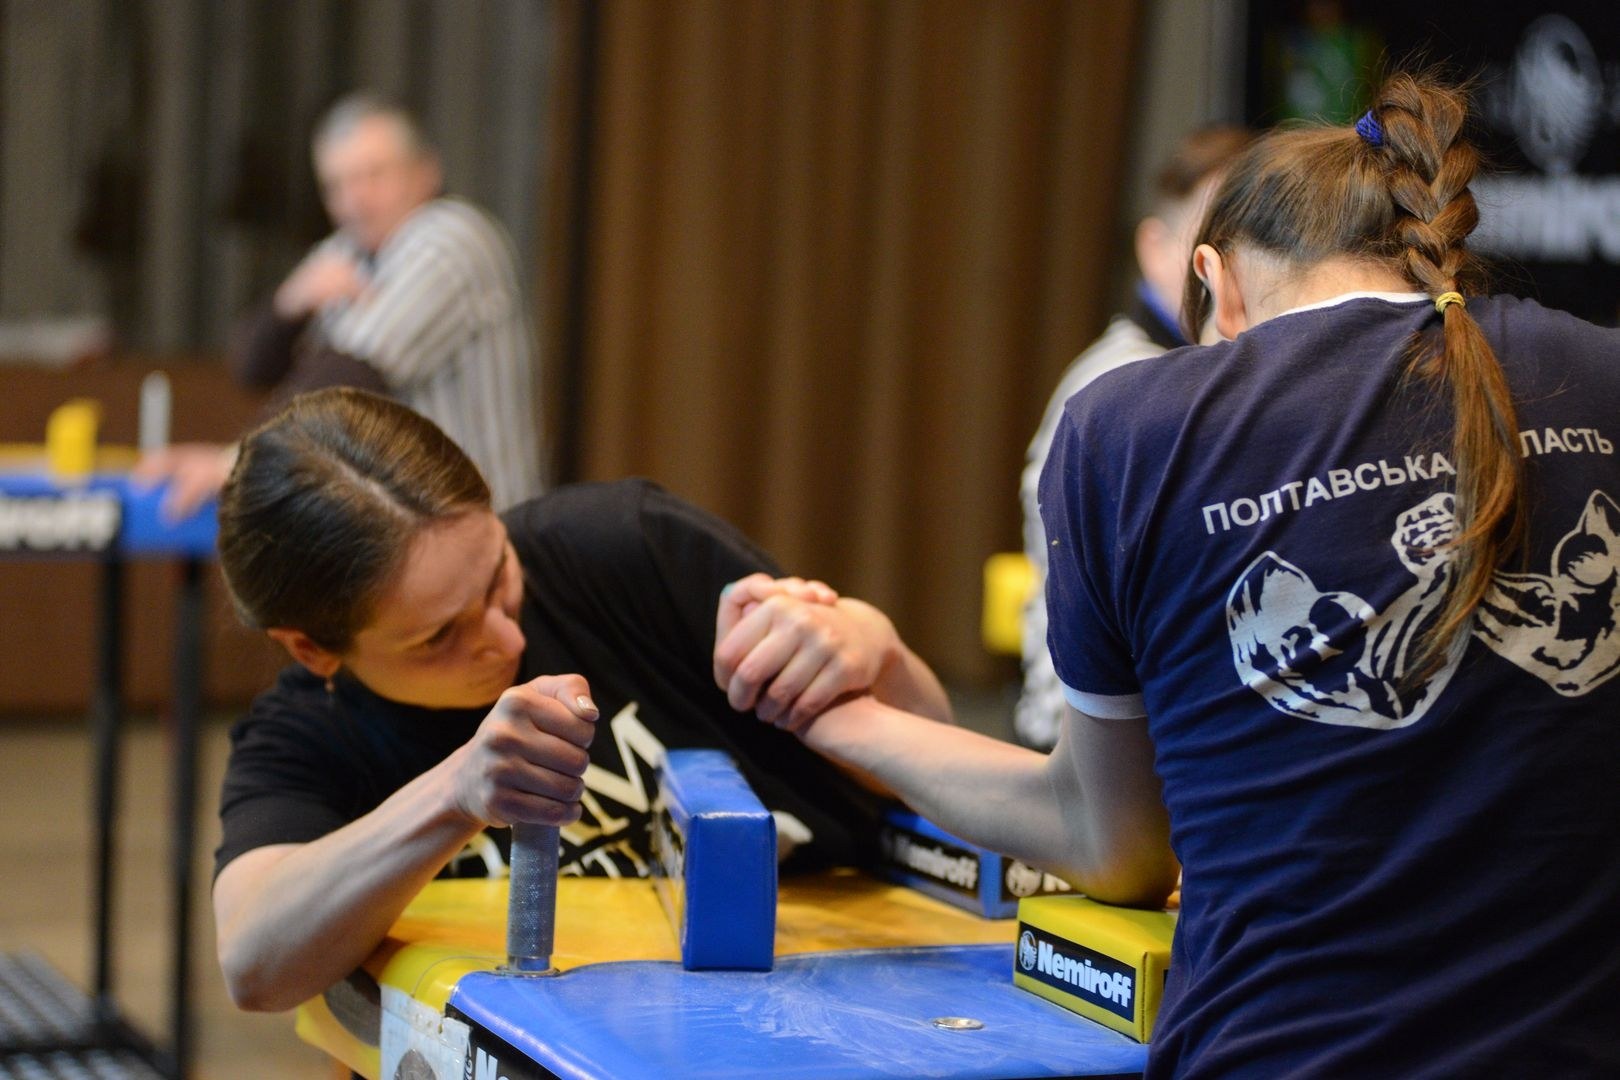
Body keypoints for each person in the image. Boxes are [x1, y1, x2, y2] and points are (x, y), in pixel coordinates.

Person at [718, 72, 1620, 1075]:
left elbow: (1115, 846)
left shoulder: (1125, 425)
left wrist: (836, 719)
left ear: (1214, 281)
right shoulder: (1601, 371)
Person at [211, 387, 947, 1012]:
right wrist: (454, 794)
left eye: (498, 574)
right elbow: (254, 965)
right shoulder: (310, 731)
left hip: (836, 1000)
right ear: (312, 648)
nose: (503, 638)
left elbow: (934, 765)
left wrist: (877, 651)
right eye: (439, 637)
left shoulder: (624, 550)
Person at [138, 92, 543, 513]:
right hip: (417, 535)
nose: (356, 198)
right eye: (337, 184)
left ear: (426, 172)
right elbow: (251, 367)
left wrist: (235, 462)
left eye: (374, 174)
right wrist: (288, 305)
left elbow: (351, 375)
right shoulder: (349, 251)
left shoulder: (451, 235)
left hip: (488, 530)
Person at [1016, 125, 1250, 750]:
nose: (1241, 267)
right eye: (1219, 239)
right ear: (1157, 249)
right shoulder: (1122, 388)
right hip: (1094, 751)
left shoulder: (1224, 382)